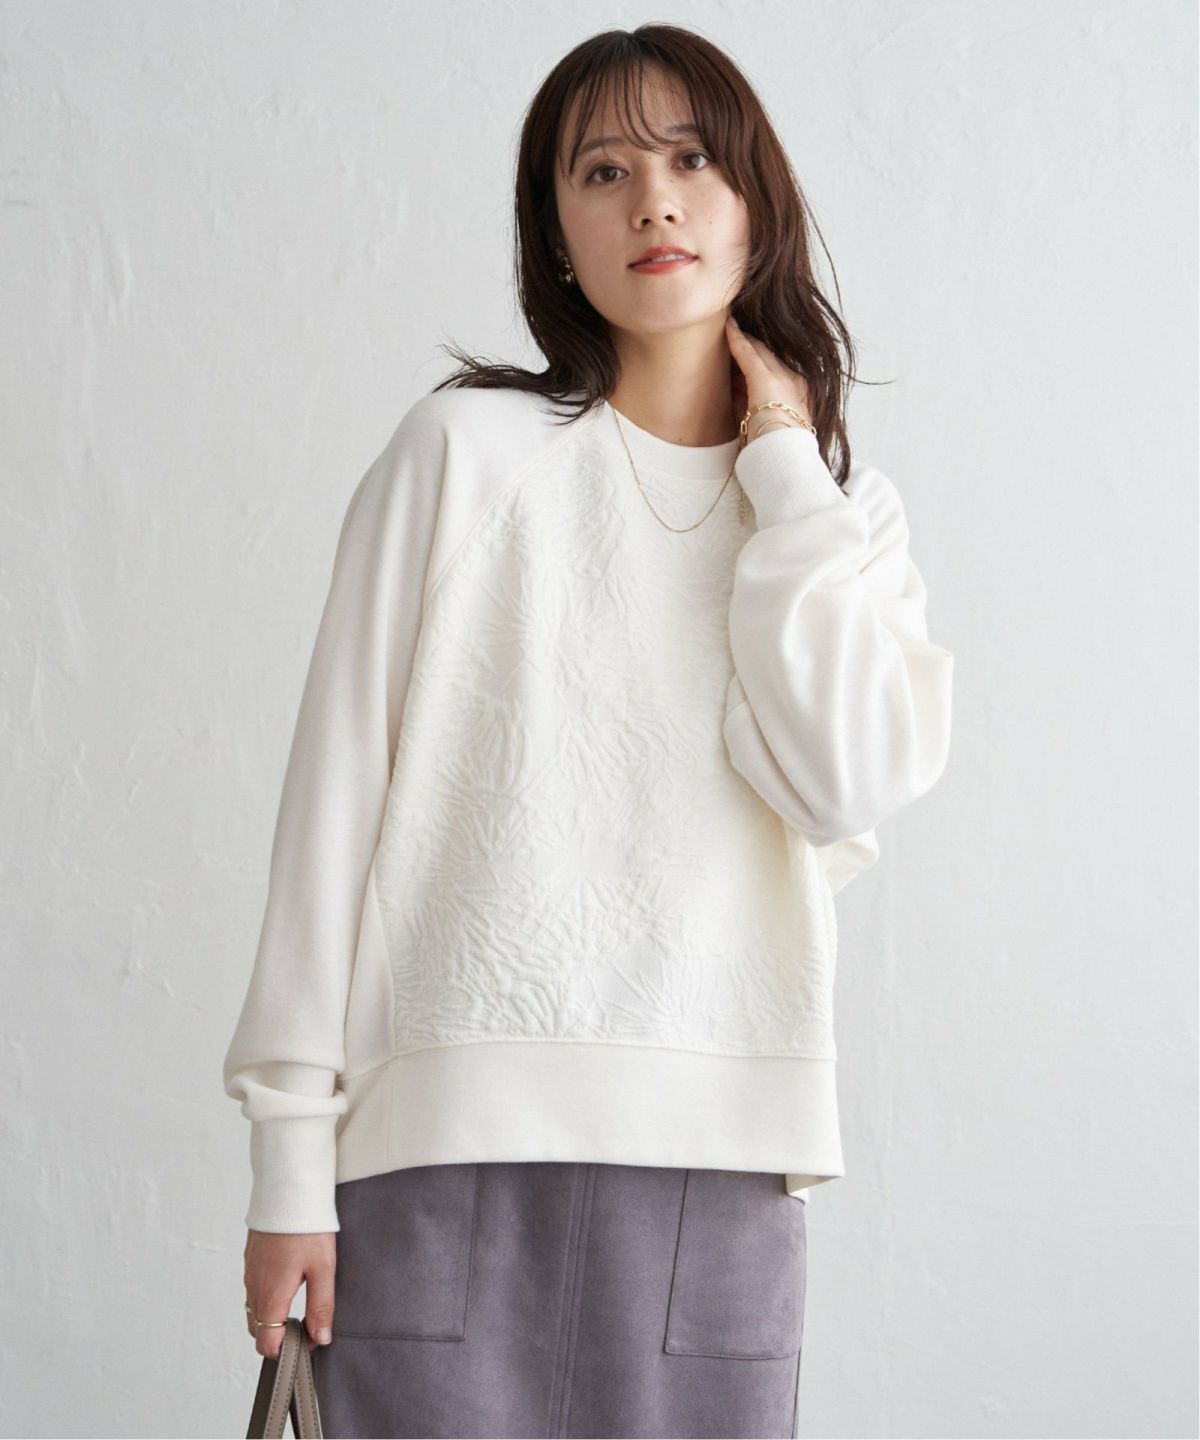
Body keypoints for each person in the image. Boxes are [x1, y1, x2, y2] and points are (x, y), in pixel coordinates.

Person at [224, 23, 954, 1439]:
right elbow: (331, 812)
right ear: (554, 233)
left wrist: (785, 468)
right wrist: (287, 1162)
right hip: (441, 1158)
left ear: (757, 202)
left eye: (691, 162)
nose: (654, 204)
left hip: (722, 1176)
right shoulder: (463, 454)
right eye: (604, 172)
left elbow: (844, 781)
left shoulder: (838, 514)